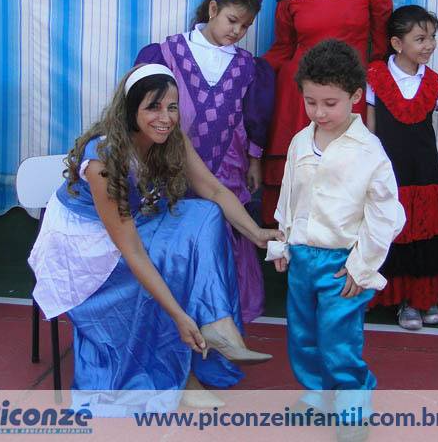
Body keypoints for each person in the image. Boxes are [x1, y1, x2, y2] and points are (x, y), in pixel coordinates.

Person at [28, 64, 277, 412]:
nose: (166, 117)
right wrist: (179, 316)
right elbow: (131, 250)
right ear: (131, 109)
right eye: (153, 107)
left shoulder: (170, 137)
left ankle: (216, 322)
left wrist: (257, 233)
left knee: (206, 214)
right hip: (83, 243)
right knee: (163, 262)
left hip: (132, 221)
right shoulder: (104, 160)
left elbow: (214, 190)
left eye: (172, 107)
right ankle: (176, 378)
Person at [268, 40, 405, 438]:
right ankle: (317, 394)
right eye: (311, 102)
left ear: (355, 97)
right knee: (303, 333)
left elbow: (386, 215)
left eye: (330, 103)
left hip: (343, 264)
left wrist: (362, 266)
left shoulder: (369, 152)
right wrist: (283, 241)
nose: (319, 112)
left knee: (338, 338)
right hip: (301, 257)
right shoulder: (300, 141)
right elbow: (289, 196)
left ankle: (352, 403)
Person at [134, 0, 274, 322]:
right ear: (213, 9)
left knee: (221, 227)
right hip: (169, 164)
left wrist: (254, 161)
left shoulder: (248, 67)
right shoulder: (166, 52)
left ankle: (219, 317)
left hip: (226, 165)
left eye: (245, 26)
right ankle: (169, 312)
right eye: (232, 20)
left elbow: (254, 116)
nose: (237, 31)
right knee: (172, 231)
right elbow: (140, 107)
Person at [261, 0, 393, 227]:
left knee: (347, 180)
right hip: (299, 96)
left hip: (348, 92)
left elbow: (380, 47)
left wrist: (373, 97)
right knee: (301, 177)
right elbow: (283, 47)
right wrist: (247, 72)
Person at [365, 5, 438, 330]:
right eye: (420, 38)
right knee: (398, 234)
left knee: (426, 237)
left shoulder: (432, 82)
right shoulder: (375, 77)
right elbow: (370, 132)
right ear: (396, 43)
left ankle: (425, 298)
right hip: (391, 173)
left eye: (432, 37)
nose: (429, 44)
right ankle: (404, 301)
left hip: (427, 172)